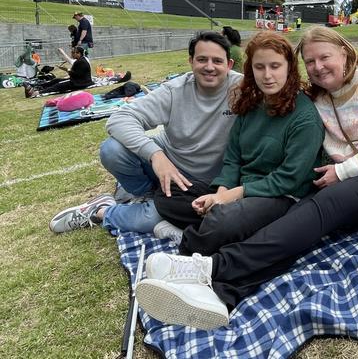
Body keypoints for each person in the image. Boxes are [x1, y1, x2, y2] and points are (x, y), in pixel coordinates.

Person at [135, 25, 358, 330]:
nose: (317, 67)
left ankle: (210, 272)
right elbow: (234, 156)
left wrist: (340, 170)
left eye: (323, 57)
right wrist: (221, 191)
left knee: (298, 220)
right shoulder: (315, 95)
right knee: (181, 196)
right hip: (329, 180)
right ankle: (211, 264)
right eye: (310, 62)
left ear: (343, 51)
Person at [49, 31, 242, 234]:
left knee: (150, 220)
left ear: (229, 65)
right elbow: (119, 119)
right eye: (202, 59)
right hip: (169, 166)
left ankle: (102, 212)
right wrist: (156, 155)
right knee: (111, 150)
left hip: (208, 183)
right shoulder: (174, 91)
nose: (209, 67)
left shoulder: (242, 87)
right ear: (191, 62)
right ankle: (145, 194)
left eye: (217, 61)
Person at [24, 46, 92, 98]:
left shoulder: (81, 62)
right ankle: (35, 86)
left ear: (78, 53)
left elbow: (76, 74)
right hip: (79, 81)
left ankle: (37, 92)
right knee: (57, 80)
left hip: (80, 83)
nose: (71, 54)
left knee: (58, 85)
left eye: (73, 52)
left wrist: (67, 70)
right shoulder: (80, 60)